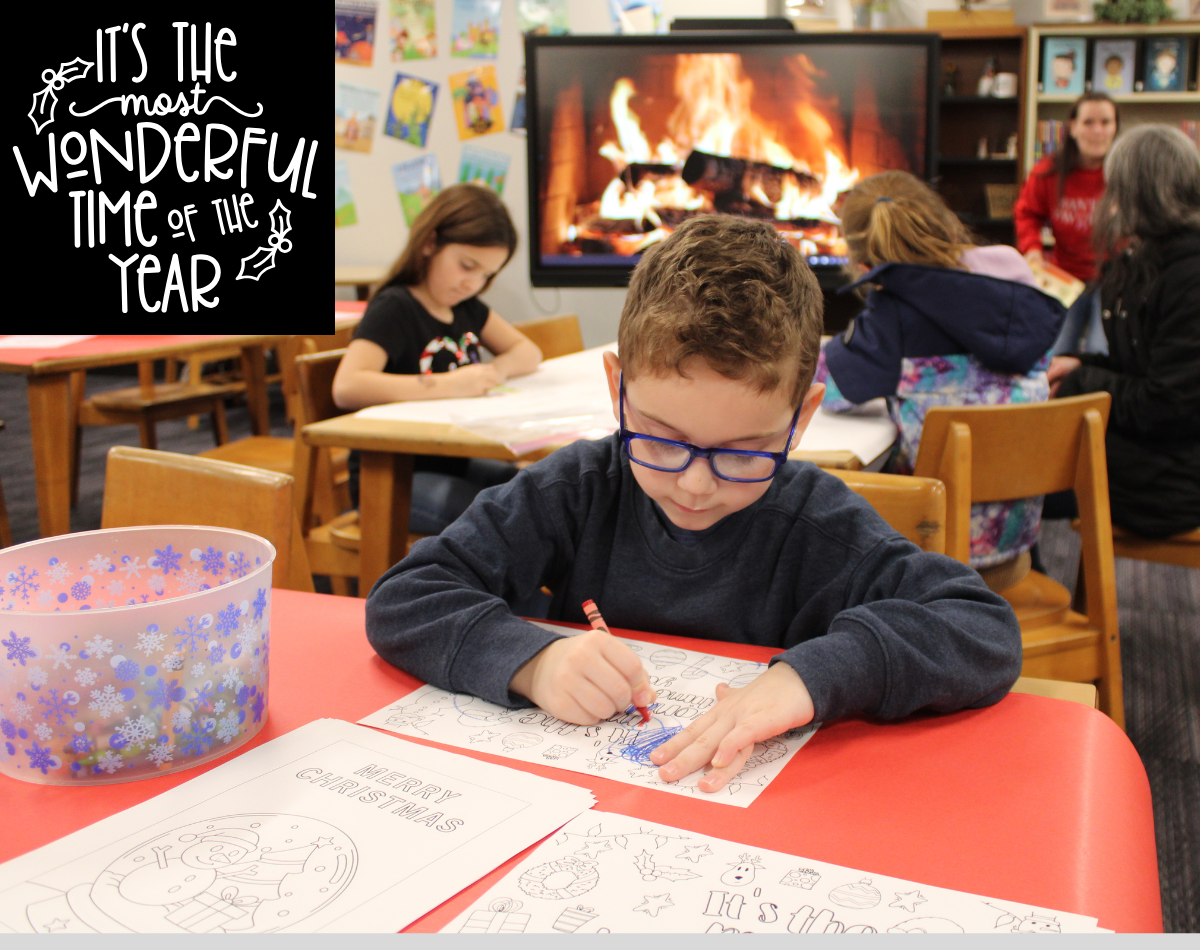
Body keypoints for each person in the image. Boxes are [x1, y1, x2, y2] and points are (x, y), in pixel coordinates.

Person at [365, 215, 1023, 794]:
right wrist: (534, 663)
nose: (696, 485)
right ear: (618, 390)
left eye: (743, 452)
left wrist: (809, 678)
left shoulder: (817, 523)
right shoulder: (578, 488)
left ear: (800, 418)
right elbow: (406, 597)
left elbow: (981, 627)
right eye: (661, 440)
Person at [816, 171, 1064, 591]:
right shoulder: (1012, 269)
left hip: (930, 560)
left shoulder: (891, 316)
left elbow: (826, 389)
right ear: (945, 221)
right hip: (1015, 543)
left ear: (864, 266)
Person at [332, 183, 543, 533]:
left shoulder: (465, 308)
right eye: (467, 266)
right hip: (391, 476)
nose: (473, 283)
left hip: (453, 459)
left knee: (537, 493)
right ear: (430, 243)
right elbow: (347, 386)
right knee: (509, 519)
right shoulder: (395, 307)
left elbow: (528, 351)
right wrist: (449, 385)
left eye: (486, 275)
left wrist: (495, 370)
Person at [1048, 124, 1200, 538]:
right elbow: (1143, 367)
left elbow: (1165, 406)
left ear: (1138, 195)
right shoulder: (1154, 259)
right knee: (1017, 460)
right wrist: (1080, 363)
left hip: (1176, 481)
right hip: (1162, 457)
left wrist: (1082, 379)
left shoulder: (1188, 274)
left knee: (1013, 469)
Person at [1014, 93, 1119, 355]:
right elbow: (1027, 213)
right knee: (1055, 351)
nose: (1097, 131)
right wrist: (1033, 249)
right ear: (1072, 127)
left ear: (1116, 127)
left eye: (1105, 122)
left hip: (1115, 280)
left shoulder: (1126, 172)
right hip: (1066, 279)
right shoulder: (1048, 172)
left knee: (1099, 351)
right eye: (1088, 122)